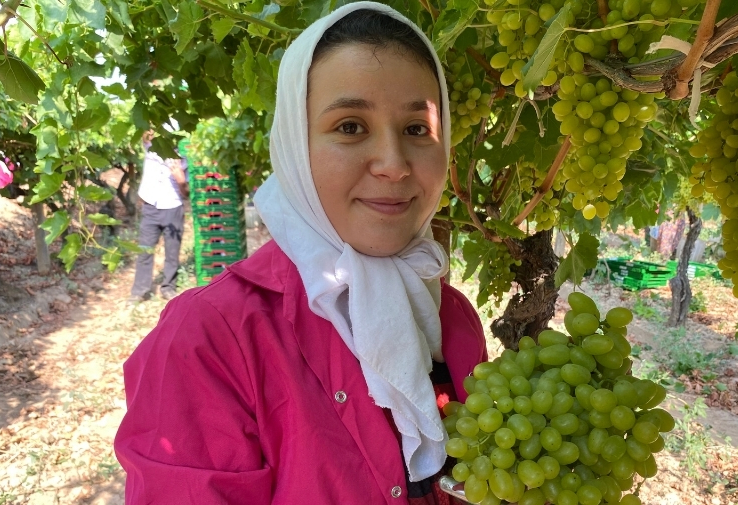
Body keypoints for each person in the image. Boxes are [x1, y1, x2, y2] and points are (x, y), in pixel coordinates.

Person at [114, 3, 488, 504]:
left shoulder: (451, 315)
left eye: (417, 129)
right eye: (351, 126)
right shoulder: (209, 341)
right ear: (293, 145)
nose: (395, 164)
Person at [129, 130, 189, 302]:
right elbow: (146, 131)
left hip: (173, 207)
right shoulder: (151, 148)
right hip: (151, 206)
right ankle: (140, 291)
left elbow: (186, 193)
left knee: (172, 251)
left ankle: (168, 287)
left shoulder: (182, 158)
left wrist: (181, 180)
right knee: (145, 250)